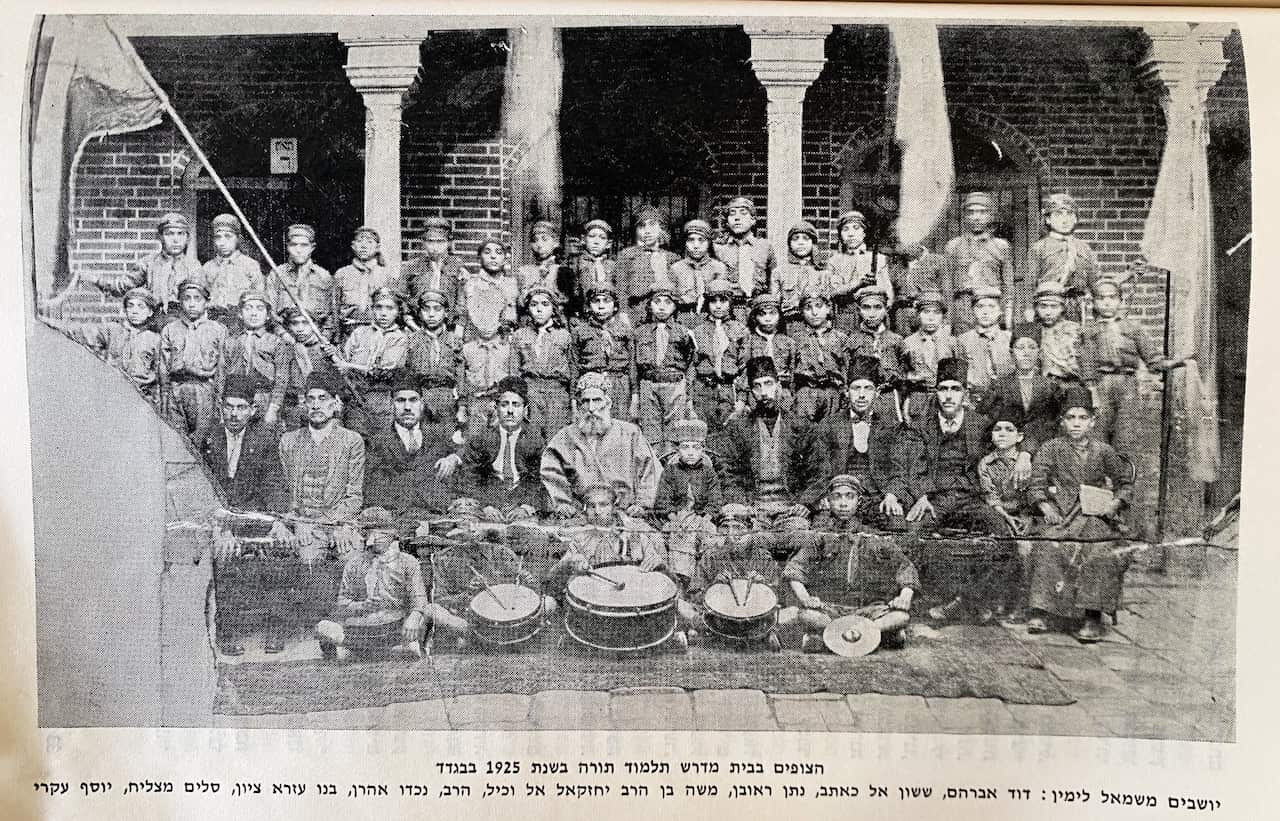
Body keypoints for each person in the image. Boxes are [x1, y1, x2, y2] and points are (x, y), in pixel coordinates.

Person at [1026, 388, 1136, 642]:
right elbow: (1037, 483)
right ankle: (1042, 610)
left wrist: (1114, 504)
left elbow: (1125, 484)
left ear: (1092, 421)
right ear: (1062, 421)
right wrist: (1046, 507)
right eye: (1071, 417)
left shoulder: (1104, 451)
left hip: (1095, 514)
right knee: (1049, 546)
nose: (1076, 423)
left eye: (1082, 418)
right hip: (1062, 513)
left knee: (1099, 550)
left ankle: (1092, 616)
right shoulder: (1051, 448)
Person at [202, 374, 292, 655]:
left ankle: (276, 626)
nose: (234, 413)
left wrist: (277, 523)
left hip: (253, 517)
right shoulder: (206, 438)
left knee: (280, 550)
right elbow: (201, 488)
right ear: (220, 407)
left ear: (253, 410)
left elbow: (274, 484)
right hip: (217, 518)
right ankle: (227, 630)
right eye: (229, 406)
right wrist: (222, 528)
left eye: (241, 407)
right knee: (224, 553)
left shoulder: (264, 439)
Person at [779, 474, 918, 652]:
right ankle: (875, 635)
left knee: (900, 617)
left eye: (849, 496)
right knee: (807, 615)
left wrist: (904, 597)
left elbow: (904, 567)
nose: (843, 503)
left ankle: (833, 634)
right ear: (828, 502)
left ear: (859, 502)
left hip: (870, 609)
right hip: (831, 608)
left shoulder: (874, 537)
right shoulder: (819, 538)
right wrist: (806, 598)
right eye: (837, 497)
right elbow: (796, 569)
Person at [806, 356, 913, 529]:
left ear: (877, 392)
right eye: (856, 388)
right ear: (846, 392)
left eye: (868, 388)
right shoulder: (829, 424)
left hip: (877, 497)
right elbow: (819, 469)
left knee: (896, 524)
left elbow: (899, 469)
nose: (862, 395)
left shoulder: (891, 427)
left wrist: (892, 495)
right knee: (822, 529)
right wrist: (823, 496)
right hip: (840, 498)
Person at [1080, 278, 1184, 451]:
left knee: (1126, 432)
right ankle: (1098, 475)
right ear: (1094, 303)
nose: (1107, 303)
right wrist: (1091, 389)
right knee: (1098, 430)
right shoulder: (1089, 330)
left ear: (1120, 301)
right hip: (1101, 384)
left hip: (1127, 384)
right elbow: (1087, 361)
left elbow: (1152, 357)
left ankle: (1122, 474)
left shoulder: (1132, 327)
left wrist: (1172, 363)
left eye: (1112, 298)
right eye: (1101, 298)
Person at [314, 507, 430, 659]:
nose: (375, 538)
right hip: (361, 628)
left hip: (395, 626)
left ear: (392, 534)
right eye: (369, 532)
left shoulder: (407, 562)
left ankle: (395, 647)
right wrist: (362, 606)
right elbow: (342, 604)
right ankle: (357, 649)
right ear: (363, 535)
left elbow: (419, 599)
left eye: (381, 532)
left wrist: (414, 618)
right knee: (322, 628)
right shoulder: (354, 564)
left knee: (427, 615)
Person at [541, 372, 660, 518]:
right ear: (580, 405)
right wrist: (562, 503)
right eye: (586, 401)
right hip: (581, 514)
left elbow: (650, 470)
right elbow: (550, 471)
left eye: (597, 400)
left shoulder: (630, 433)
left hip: (625, 514)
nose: (591, 408)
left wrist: (642, 504)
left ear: (608, 403)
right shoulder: (565, 436)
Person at [277, 372, 365, 564]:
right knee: (307, 559)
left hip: (339, 523)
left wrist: (340, 524)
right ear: (304, 403)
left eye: (323, 398)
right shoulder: (288, 441)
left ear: (335, 402)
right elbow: (283, 493)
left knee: (353, 557)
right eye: (311, 399)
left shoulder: (351, 441)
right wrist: (296, 523)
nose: (316, 405)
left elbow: (354, 496)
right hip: (302, 523)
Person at [715, 356, 819, 512]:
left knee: (799, 533)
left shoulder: (801, 426)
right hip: (752, 507)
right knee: (736, 531)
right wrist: (739, 502)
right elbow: (726, 469)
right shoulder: (738, 429)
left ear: (778, 385)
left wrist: (805, 502)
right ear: (751, 391)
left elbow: (818, 469)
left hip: (791, 506)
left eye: (768, 384)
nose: (763, 393)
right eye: (757, 386)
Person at [447, 375, 549, 519]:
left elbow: (537, 479)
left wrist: (526, 507)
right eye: (504, 404)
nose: (510, 411)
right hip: (491, 497)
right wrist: (486, 505)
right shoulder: (482, 438)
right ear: (496, 407)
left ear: (525, 409)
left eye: (516, 405)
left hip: (520, 499)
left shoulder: (534, 440)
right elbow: (471, 476)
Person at [363, 378, 460, 522]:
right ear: (391, 405)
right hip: (394, 518)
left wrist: (453, 458)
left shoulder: (438, 437)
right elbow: (371, 486)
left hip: (437, 517)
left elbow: (469, 451)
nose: (407, 407)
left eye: (413, 400)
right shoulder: (377, 442)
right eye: (400, 400)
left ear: (422, 405)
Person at [52, 287, 163, 405]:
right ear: (125, 310)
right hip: (114, 394)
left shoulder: (155, 339)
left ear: (150, 311)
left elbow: (161, 376)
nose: (134, 311)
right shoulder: (113, 330)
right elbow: (82, 332)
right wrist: (53, 324)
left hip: (143, 399)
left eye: (141, 306)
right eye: (130, 306)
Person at [82, 212, 197, 323]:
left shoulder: (194, 267)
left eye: (180, 233)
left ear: (187, 238)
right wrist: (97, 280)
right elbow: (123, 286)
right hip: (154, 325)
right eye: (169, 234)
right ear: (160, 237)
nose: (175, 240)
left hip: (184, 327)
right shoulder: (148, 263)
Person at [977, 411, 1037, 623]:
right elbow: (990, 495)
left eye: (1009, 430)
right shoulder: (986, 463)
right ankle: (997, 599)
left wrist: (1023, 518)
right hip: (1000, 514)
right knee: (999, 546)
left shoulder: (1026, 462)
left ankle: (1022, 604)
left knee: (1025, 549)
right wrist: (1004, 516)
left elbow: (1034, 493)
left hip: (1026, 515)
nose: (1002, 434)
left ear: (1019, 437)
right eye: (997, 430)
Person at [336, 286, 409, 442]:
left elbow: (384, 371)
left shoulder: (400, 338)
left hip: (381, 402)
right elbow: (342, 362)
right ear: (372, 308)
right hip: (354, 399)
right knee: (354, 444)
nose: (383, 313)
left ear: (398, 311)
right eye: (378, 307)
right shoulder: (359, 333)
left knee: (380, 449)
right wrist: (335, 357)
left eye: (390, 308)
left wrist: (348, 367)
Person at [976, 324, 1064, 454]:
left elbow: (1055, 423)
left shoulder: (1050, 387)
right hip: (1006, 450)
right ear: (1011, 353)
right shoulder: (1000, 386)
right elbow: (983, 420)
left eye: (1032, 347)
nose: (1026, 353)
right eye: (1020, 347)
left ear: (1039, 353)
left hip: (1043, 449)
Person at [653, 418, 722, 581]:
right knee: (678, 536)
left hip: (701, 518)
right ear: (677, 449)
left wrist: (705, 519)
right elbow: (662, 500)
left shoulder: (709, 473)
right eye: (685, 447)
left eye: (695, 448)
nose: (690, 452)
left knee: (710, 537)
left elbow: (715, 499)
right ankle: (681, 578)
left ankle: (705, 581)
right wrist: (674, 518)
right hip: (677, 518)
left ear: (702, 450)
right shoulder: (670, 471)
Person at [160, 279, 227, 446]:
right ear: (180, 301)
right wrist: (164, 396)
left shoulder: (217, 329)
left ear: (207, 302)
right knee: (176, 440)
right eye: (186, 298)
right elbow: (163, 365)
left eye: (197, 299)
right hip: (177, 390)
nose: (191, 304)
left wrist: (219, 399)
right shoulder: (170, 329)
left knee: (203, 441)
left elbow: (221, 368)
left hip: (204, 390)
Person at [509, 284, 577, 443]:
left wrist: (573, 404)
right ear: (528, 309)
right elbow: (514, 372)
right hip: (530, 392)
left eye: (545, 304)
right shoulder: (520, 335)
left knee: (556, 441)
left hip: (557, 394)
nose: (539, 309)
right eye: (534, 305)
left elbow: (573, 372)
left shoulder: (564, 336)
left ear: (553, 309)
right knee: (531, 441)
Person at [633, 284, 697, 453]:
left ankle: (672, 471)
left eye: (667, 302)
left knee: (674, 434)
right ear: (649, 305)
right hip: (649, 384)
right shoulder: (640, 332)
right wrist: (636, 395)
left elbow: (690, 364)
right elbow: (634, 366)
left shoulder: (683, 332)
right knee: (650, 434)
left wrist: (687, 393)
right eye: (657, 301)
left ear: (675, 306)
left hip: (675, 385)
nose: (661, 306)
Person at [941, 192, 1016, 333]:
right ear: (965, 217)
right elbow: (947, 286)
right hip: (963, 307)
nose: (976, 217)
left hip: (991, 306)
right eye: (971, 212)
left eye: (982, 212)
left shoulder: (1001, 246)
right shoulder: (953, 246)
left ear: (991, 215)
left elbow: (1008, 286)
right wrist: (947, 321)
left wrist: (1007, 316)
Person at [218, 290, 289, 428]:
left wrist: (273, 409)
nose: (254, 313)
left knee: (264, 439)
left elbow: (281, 379)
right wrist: (222, 409)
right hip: (236, 401)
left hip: (264, 398)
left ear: (268, 315)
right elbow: (221, 377)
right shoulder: (231, 342)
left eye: (260, 308)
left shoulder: (276, 342)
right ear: (240, 313)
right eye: (248, 308)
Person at [1028, 193, 1099, 322]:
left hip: (1076, 307)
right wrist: (1029, 309)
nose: (1065, 220)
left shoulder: (1084, 248)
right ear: (1048, 219)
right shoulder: (1039, 247)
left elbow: (1095, 282)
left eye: (1070, 214)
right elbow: (1030, 284)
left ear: (1076, 219)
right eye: (1058, 214)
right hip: (1048, 306)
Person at [403, 289, 465, 432]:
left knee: (445, 441)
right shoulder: (411, 340)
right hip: (419, 398)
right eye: (426, 309)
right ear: (419, 313)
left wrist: (462, 406)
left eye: (437, 309)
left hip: (446, 398)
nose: (431, 314)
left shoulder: (454, 341)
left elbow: (460, 376)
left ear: (446, 313)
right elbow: (405, 374)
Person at [689, 279, 747, 429]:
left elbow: (744, 368)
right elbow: (691, 367)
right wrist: (689, 400)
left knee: (728, 434)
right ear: (707, 304)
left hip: (728, 389)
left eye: (723, 301)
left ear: (731, 303)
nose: (718, 306)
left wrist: (741, 400)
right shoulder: (698, 331)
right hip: (703, 390)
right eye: (713, 301)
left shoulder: (740, 330)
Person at [571, 281, 636, 413]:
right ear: (589, 306)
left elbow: (632, 365)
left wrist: (635, 396)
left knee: (619, 426)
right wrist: (573, 399)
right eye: (596, 301)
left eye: (606, 301)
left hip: (619, 383)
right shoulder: (580, 331)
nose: (601, 306)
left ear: (615, 306)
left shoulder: (625, 330)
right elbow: (574, 366)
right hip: (590, 385)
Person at [268, 224, 338, 342]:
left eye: (304, 245)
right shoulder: (277, 274)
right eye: (294, 245)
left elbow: (331, 317)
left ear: (312, 247)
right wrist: (284, 335)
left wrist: (321, 339)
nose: (298, 250)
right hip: (283, 340)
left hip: (316, 341)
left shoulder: (323, 276)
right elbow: (269, 312)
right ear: (287, 247)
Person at [791, 289, 851, 423]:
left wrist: (845, 391)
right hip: (805, 393)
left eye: (819, 306)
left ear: (828, 308)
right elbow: (791, 370)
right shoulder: (796, 339)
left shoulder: (840, 338)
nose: (814, 312)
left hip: (833, 391)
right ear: (801, 312)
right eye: (808, 308)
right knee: (804, 430)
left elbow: (846, 368)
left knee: (831, 430)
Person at [279, 306, 343, 431]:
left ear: (315, 326)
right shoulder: (285, 348)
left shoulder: (326, 349)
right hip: (294, 409)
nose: (300, 329)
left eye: (306, 323)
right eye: (295, 323)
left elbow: (341, 382)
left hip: (323, 409)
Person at [828, 210, 892, 333]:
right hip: (846, 318)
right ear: (840, 235)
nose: (851, 234)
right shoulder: (835, 261)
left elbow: (888, 294)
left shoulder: (879, 258)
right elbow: (834, 292)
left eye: (856, 228)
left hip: (873, 316)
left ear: (864, 233)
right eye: (845, 229)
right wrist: (858, 283)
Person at [898, 290, 957, 423]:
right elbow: (903, 379)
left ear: (942, 316)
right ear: (918, 315)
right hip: (918, 400)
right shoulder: (908, 343)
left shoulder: (952, 343)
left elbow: (960, 379)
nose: (931, 318)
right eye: (926, 312)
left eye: (936, 313)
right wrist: (906, 403)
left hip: (945, 400)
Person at [713, 196, 775, 322]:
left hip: (757, 308)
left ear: (753, 220)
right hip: (729, 309)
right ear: (727, 221)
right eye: (732, 214)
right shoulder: (719, 248)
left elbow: (773, 281)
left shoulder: (764, 247)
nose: (737, 218)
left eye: (743, 213)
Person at [617, 207, 681, 325]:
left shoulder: (672, 258)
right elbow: (621, 290)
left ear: (661, 227)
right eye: (641, 226)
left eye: (652, 225)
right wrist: (623, 314)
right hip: (637, 316)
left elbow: (677, 291)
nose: (647, 231)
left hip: (666, 316)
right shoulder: (627, 256)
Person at [200, 213, 265, 328]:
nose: (222, 242)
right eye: (218, 237)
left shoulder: (250, 265)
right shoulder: (207, 268)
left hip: (242, 324)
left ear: (238, 239)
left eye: (228, 236)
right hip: (214, 323)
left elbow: (260, 298)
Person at [734, 292, 796, 411]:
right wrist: (742, 399)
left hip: (783, 391)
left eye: (772, 313)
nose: (768, 319)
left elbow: (793, 370)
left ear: (779, 315)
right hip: (756, 392)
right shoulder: (749, 341)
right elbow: (744, 371)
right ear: (755, 317)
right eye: (762, 314)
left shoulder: (788, 342)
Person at [954, 286, 1014, 405]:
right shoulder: (963, 340)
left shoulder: (1010, 338)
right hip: (975, 402)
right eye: (980, 307)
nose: (985, 312)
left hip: (1006, 402)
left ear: (1000, 310)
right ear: (972, 310)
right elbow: (959, 378)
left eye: (991, 306)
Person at [458, 316, 515, 441]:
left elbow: (514, 379)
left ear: (500, 320)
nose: (487, 327)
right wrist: (462, 407)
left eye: (492, 320)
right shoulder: (467, 349)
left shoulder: (508, 350)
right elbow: (461, 381)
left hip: (500, 403)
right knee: (474, 442)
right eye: (481, 321)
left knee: (501, 441)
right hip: (475, 403)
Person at [400, 217, 465, 324]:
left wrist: (458, 328)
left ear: (448, 242)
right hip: (417, 326)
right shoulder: (411, 267)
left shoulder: (457, 267)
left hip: (448, 327)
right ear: (424, 242)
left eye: (440, 242)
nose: (435, 247)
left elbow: (462, 302)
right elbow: (402, 298)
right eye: (430, 241)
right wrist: (410, 322)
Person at [334, 226, 393, 342]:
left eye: (369, 242)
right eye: (360, 241)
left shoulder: (386, 276)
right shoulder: (342, 274)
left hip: (377, 335)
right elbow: (334, 308)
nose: (364, 246)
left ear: (377, 247)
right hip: (349, 335)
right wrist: (336, 338)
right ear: (353, 246)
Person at [845, 283, 905, 395]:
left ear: (886, 309)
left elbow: (904, 375)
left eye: (878, 307)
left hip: (889, 397)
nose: (872, 314)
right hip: (861, 396)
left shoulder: (896, 340)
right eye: (866, 307)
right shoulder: (852, 341)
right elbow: (845, 374)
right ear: (859, 310)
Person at [460, 236, 520, 340]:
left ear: (505, 259)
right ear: (479, 257)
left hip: (505, 344)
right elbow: (460, 319)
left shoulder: (512, 285)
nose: (493, 256)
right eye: (487, 252)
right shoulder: (470, 284)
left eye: (499, 252)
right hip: (475, 344)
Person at [670, 219, 727, 327]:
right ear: (685, 242)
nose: (696, 245)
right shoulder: (676, 269)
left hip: (711, 322)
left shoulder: (718, 268)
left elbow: (722, 300)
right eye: (691, 240)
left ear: (709, 242)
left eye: (701, 240)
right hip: (683, 321)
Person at [772, 221, 830, 324]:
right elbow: (774, 305)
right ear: (789, 244)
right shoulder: (779, 272)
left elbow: (827, 306)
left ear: (813, 243)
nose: (800, 242)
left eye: (806, 238)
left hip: (815, 324)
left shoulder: (823, 273)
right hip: (789, 324)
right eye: (795, 238)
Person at [1032, 280, 1083, 385]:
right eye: (1043, 306)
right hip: (1043, 387)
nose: (1048, 312)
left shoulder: (1074, 330)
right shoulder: (1033, 332)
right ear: (1036, 308)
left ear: (1062, 308)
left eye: (1054, 306)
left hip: (1071, 385)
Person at [516, 220, 571, 309]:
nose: (539, 244)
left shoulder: (562, 272)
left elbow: (566, 303)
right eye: (535, 240)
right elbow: (519, 303)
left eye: (544, 239)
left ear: (555, 242)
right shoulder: (524, 271)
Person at [569, 219, 617, 318]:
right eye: (591, 236)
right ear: (583, 239)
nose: (596, 241)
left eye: (602, 238)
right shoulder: (576, 264)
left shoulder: (613, 266)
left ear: (608, 244)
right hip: (582, 316)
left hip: (607, 314)